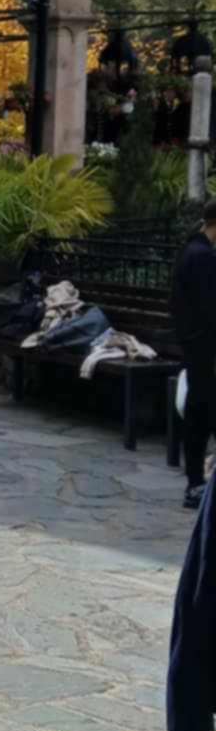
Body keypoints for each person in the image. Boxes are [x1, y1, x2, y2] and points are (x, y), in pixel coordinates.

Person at [172, 199, 216, 509]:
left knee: (198, 417)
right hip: (206, 351)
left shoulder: (190, 251)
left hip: (195, 348)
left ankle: (195, 483)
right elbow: (209, 309)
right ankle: (196, 484)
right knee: (202, 417)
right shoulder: (202, 257)